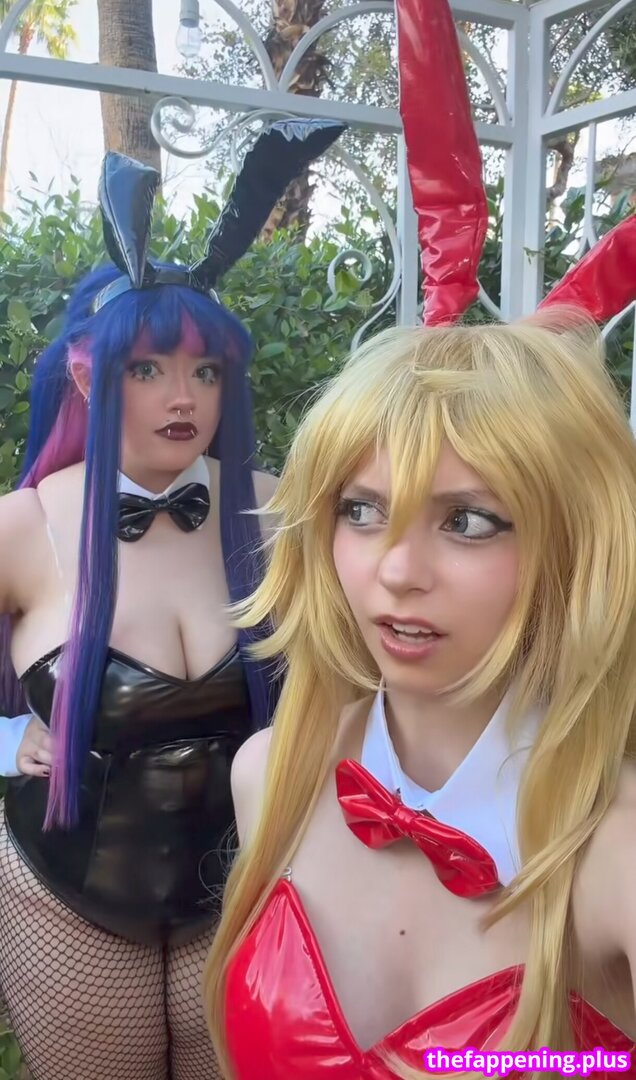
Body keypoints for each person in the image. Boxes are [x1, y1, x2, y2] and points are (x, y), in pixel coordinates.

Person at [204, 311, 636, 1079]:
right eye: (361, 511)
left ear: (577, 544)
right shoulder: (270, 776)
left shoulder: (619, 851)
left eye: (467, 521)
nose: (398, 571)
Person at [0, 118, 344, 1080]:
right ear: (86, 374)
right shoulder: (25, 526)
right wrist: (6, 737)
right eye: (147, 369)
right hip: (67, 894)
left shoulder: (279, 510)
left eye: (205, 370)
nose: (182, 396)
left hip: (250, 881)